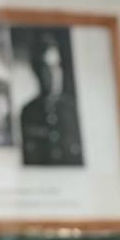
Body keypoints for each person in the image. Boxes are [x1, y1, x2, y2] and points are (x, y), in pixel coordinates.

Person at [18, 32, 83, 167]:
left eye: (57, 66)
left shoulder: (73, 110)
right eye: (47, 67)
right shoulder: (28, 112)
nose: (55, 74)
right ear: (37, 71)